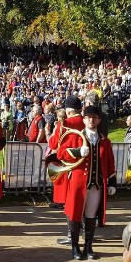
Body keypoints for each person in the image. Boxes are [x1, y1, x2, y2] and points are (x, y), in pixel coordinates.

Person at [57, 105, 116, 260]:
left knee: (91, 215)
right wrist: (77, 152)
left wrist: (112, 183)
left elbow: (110, 162)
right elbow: (60, 153)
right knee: (75, 214)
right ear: (83, 119)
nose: (91, 120)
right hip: (78, 184)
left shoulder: (105, 141)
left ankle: (88, 247)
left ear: (99, 120)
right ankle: (75, 247)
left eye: (94, 117)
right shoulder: (75, 137)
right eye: (88, 117)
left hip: (96, 184)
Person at [48, 96, 85, 243]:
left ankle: (71, 234)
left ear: (68, 110)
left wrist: (51, 131)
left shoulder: (64, 123)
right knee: (83, 201)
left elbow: (52, 143)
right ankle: (83, 230)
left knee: (70, 203)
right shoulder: (87, 121)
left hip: (68, 165)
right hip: (85, 167)